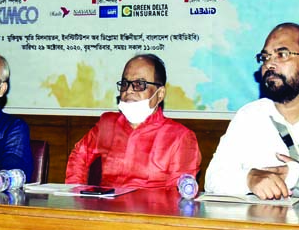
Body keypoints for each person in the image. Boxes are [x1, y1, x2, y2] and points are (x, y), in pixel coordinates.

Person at [206, 23, 299, 200]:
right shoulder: (249, 117)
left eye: (282, 54)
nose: (269, 64)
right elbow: (212, 180)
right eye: (265, 57)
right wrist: (249, 179)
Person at [65, 54, 201, 189]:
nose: (129, 90)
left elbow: (177, 196)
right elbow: (79, 156)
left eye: (139, 84)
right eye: (125, 83)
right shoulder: (108, 124)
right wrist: (77, 195)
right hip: (105, 208)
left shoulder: (180, 137)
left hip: (150, 210)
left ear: (160, 94)